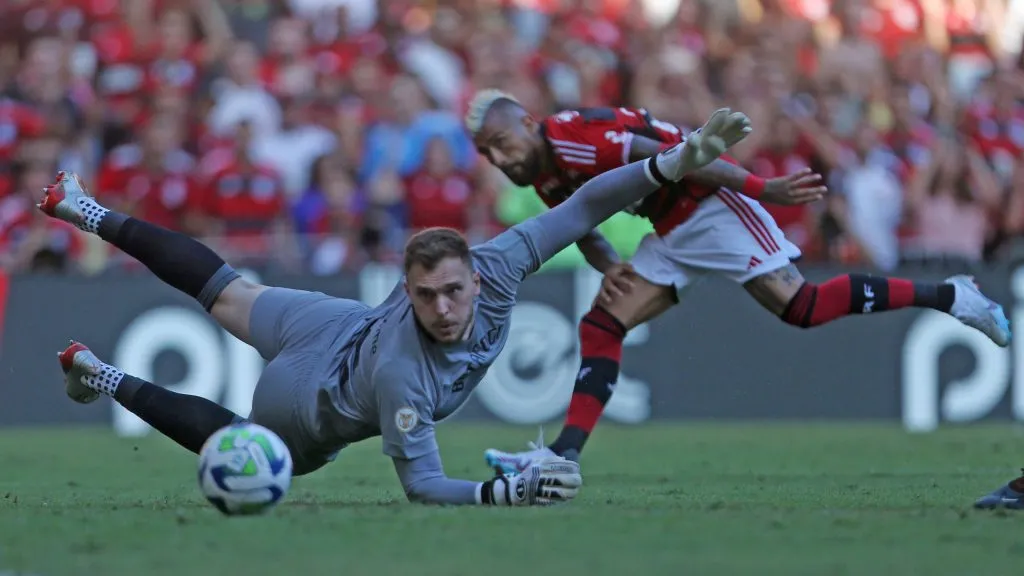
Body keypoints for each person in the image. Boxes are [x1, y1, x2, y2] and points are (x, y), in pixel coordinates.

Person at [40, 107, 753, 507]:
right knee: (253, 451)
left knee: (230, 291)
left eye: (452, 290)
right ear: (405, 291)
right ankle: (99, 345)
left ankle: (86, 242)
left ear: (477, 277)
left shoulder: (503, 260)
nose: (442, 307)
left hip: (334, 325)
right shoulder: (403, 375)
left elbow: (587, 202)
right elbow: (424, 487)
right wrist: (502, 495)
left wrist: (672, 160)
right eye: (425, 295)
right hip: (309, 392)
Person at [465, 90, 1012, 471]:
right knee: (602, 325)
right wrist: (611, 267)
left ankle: (953, 295)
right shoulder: (544, 169)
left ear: (528, 123)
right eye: (487, 152)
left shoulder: (574, 141)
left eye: (501, 141)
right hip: (670, 226)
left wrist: (759, 186)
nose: (498, 157)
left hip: (711, 204)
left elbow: (677, 157)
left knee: (802, 306)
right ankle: (562, 457)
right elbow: (579, 220)